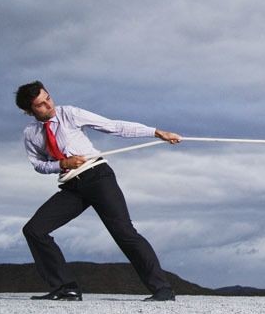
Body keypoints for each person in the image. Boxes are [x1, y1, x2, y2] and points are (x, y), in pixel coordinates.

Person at [15, 81, 182, 301]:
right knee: (34, 230)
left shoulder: (70, 114)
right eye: (40, 105)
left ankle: (163, 290)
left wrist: (156, 132)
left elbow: (113, 126)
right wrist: (62, 165)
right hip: (72, 187)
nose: (49, 105)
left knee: (124, 233)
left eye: (48, 98)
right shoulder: (31, 134)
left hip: (98, 177)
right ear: (29, 111)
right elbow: (38, 165)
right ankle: (66, 288)